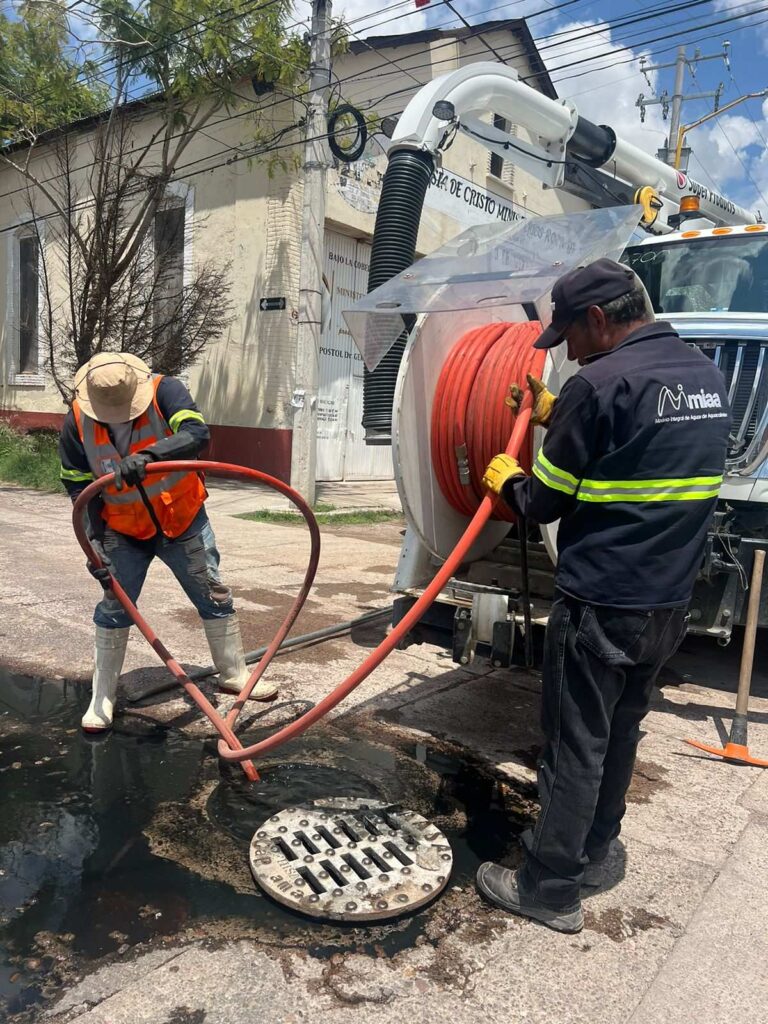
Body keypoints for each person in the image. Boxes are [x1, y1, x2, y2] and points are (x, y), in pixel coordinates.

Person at [476, 259, 730, 934]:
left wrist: (507, 478)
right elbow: (646, 449)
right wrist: (563, 418)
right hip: (668, 600)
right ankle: (597, 849)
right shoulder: (704, 374)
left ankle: (549, 886)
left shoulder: (598, 385)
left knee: (574, 743)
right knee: (621, 731)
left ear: (599, 320)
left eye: (570, 337)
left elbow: (543, 502)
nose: (568, 353)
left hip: (602, 601)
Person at [59, 352, 277, 733]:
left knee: (212, 594)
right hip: (123, 530)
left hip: (183, 520)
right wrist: (94, 544)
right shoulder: (77, 420)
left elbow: (197, 433)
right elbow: (78, 485)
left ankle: (234, 674)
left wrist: (150, 455)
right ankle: (102, 697)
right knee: (115, 605)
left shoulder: (165, 392)